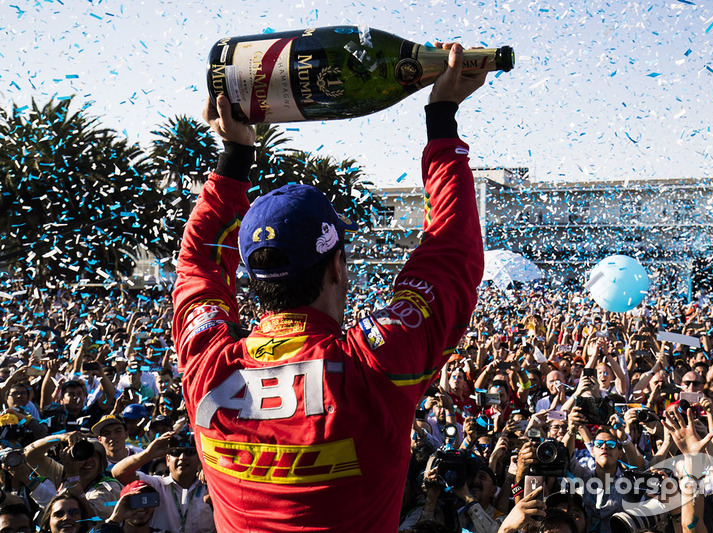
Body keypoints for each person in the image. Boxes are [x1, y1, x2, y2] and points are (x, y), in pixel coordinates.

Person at [171, 42, 486, 531]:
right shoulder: (373, 366)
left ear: (250, 276)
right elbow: (450, 257)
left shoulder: (207, 364)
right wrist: (441, 116)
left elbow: (196, 268)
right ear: (338, 265)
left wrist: (233, 157)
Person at [111, 432, 214, 533]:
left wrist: (210, 474)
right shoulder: (155, 485)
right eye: (176, 453)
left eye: (190, 452)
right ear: (167, 460)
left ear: (199, 459)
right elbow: (118, 473)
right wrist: (148, 453)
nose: (183, 457)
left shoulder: (210, 487)